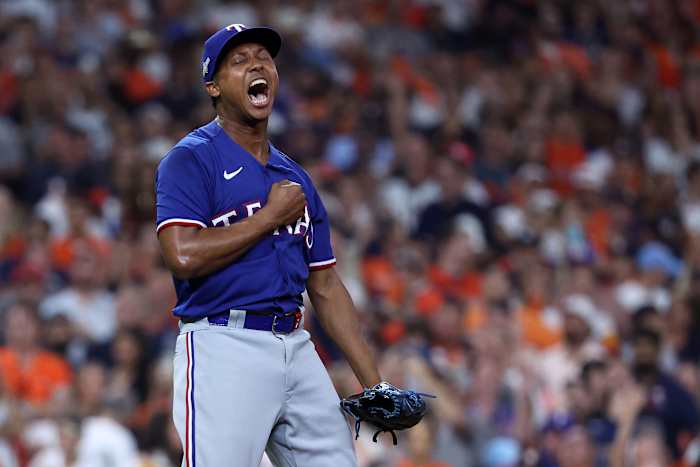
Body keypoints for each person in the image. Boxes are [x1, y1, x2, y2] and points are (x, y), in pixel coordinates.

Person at [155, 24, 383, 466]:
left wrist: (374, 384)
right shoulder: (190, 159)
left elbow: (327, 286)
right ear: (214, 86)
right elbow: (182, 255)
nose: (257, 64)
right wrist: (269, 218)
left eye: (264, 57)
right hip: (223, 342)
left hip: (296, 344)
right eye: (239, 61)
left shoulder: (296, 177)